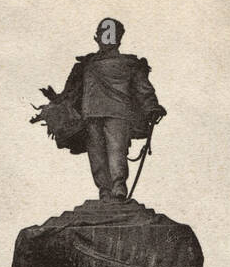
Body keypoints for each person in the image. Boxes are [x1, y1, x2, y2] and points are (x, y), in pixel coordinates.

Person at [39, 18, 167, 200]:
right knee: (115, 151)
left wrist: (56, 100)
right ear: (119, 38)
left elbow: (70, 93)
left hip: (95, 113)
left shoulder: (87, 65)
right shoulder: (128, 64)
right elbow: (143, 90)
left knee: (99, 154)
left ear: (97, 37)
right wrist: (152, 107)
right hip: (109, 114)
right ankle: (115, 188)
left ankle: (108, 190)